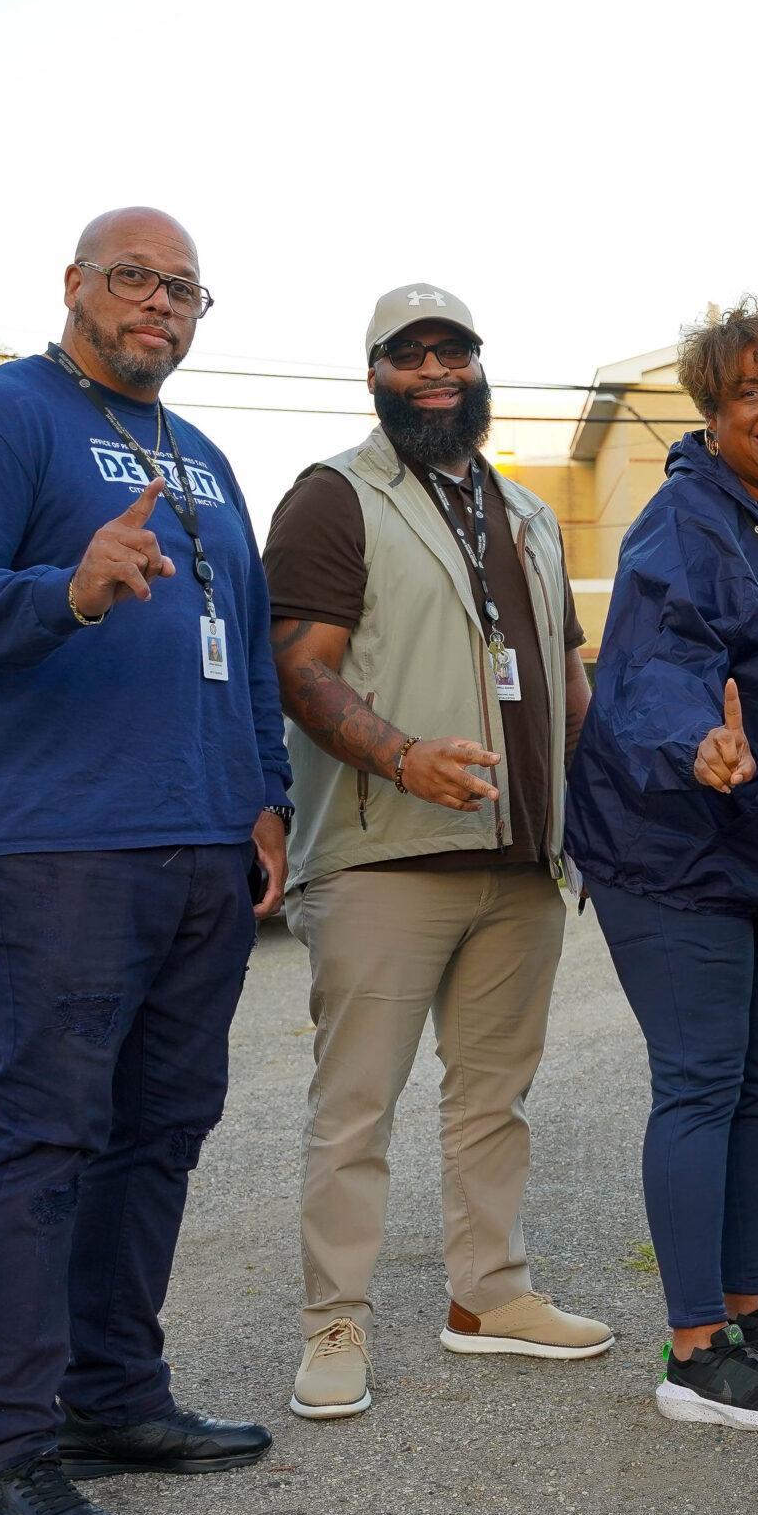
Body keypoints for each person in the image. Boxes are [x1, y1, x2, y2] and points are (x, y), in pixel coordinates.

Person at [0, 208, 283, 1515]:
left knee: (162, 1127)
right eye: (133, 278)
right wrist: (67, 587)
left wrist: (264, 799)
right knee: (46, 1133)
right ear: (74, 287)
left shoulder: (208, 458)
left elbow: (246, 646)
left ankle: (112, 1391)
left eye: (183, 288)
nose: (158, 304)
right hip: (60, 840)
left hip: (203, 842)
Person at [264, 285, 611, 1423]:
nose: (433, 370)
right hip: (383, 857)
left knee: (493, 1100)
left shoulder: (525, 513)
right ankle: (335, 1322)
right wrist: (404, 757)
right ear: (374, 376)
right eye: (407, 356)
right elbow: (302, 669)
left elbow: (563, 675)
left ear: (476, 367)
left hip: (519, 863)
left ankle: (489, 1297)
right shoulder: (335, 497)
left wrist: (576, 812)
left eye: (451, 350)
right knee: (355, 1105)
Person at [568, 301, 758, 1433]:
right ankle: (694, 1351)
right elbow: (654, 663)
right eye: (749, 391)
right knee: (700, 1082)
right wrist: (699, 737)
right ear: (713, 407)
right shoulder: (684, 522)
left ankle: (746, 1310)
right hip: (670, 845)